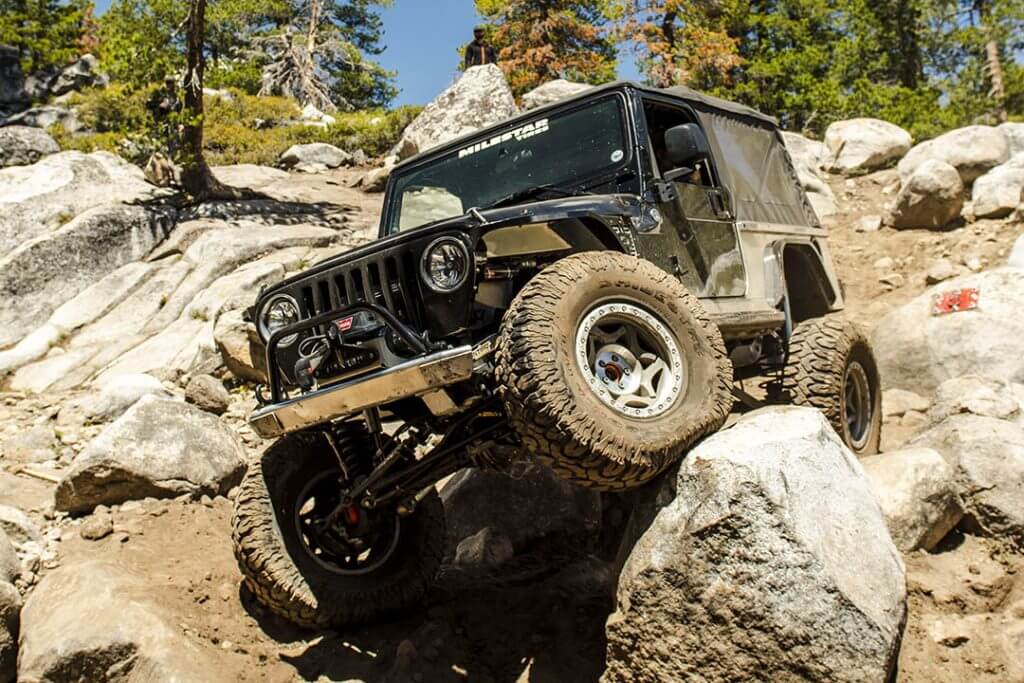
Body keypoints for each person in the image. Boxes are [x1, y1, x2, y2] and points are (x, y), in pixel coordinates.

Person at [147, 75, 183, 155]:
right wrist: (160, 105)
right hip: (160, 122)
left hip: (172, 125)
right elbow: (149, 105)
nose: (169, 85)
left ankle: (173, 157)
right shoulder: (158, 93)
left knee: (174, 144)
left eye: (171, 83)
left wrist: (180, 123)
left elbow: (179, 110)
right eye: (167, 83)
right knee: (159, 144)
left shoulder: (176, 97)